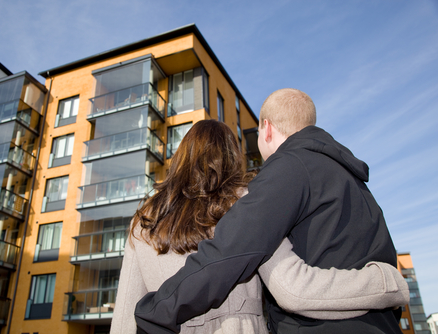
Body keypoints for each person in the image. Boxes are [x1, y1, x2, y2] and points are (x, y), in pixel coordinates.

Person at [134, 90, 404, 334]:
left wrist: (159, 310)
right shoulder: (354, 183)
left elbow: (229, 253)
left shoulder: (288, 167)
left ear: (267, 128)